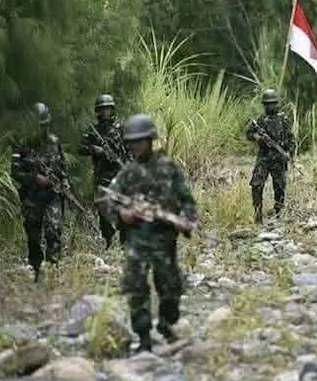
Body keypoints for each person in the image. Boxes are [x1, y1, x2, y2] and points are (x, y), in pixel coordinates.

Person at [102, 114, 197, 352]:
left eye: (140, 141)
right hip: (137, 239)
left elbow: (186, 199)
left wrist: (187, 219)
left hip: (164, 238)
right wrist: (122, 214)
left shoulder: (168, 168)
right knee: (136, 287)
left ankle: (166, 324)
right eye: (132, 142)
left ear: (149, 139)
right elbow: (107, 200)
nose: (136, 146)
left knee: (170, 285)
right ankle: (143, 336)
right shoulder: (128, 172)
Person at [11, 103, 66, 282]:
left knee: (54, 230)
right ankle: (36, 269)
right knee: (33, 236)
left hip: (52, 195)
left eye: (44, 125)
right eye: (38, 126)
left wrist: (63, 182)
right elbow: (15, 172)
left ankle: (52, 268)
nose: (41, 129)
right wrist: (35, 178)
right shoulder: (21, 145)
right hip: (31, 196)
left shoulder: (55, 142)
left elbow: (62, 168)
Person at [78, 94, 129, 247]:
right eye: (102, 109)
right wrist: (95, 150)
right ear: (98, 111)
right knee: (104, 212)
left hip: (120, 175)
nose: (105, 112)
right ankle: (108, 240)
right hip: (102, 177)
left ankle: (125, 243)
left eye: (108, 108)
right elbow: (80, 148)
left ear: (112, 110)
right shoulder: (93, 132)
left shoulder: (121, 130)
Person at [245, 89, 294, 224]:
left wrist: (289, 154)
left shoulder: (283, 120)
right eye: (267, 104)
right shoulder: (260, 120)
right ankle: (258, 215)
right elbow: (249, 134)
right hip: (264, 157)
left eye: (272, 104)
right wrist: (258, 138)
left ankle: (279, 214)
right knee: (256, 184)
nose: (270, 106)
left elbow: (291, 139)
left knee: (279, 187)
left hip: (279, 158)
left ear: (277, 104)